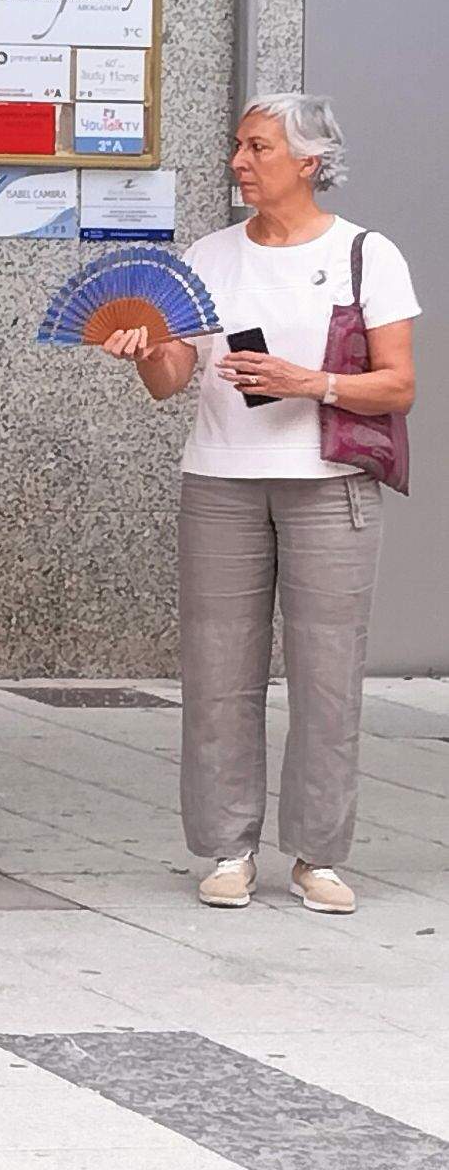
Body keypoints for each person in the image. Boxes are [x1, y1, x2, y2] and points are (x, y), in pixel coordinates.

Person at [101, 94, 416, 915]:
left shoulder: (365, 254)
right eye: (238, 146)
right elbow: (171, 378)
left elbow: (399, 385)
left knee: (327, 676)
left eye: (259, 148)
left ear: (309, 162)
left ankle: (317, 855)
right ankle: (227, 848)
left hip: (330, 486)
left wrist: (307, 383)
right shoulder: (208, 254)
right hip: (220, 480)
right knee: (216, 673)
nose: (240, 161)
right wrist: (140, 348)